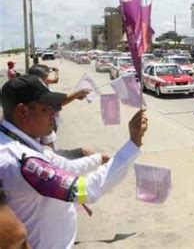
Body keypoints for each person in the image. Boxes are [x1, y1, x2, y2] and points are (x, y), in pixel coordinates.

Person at [0, 75, 148, 248]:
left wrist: (98, 158)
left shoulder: (21, 143)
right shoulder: (20, 160)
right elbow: (84, 189)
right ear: (23, 111)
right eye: (46, 110)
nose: (54, 115)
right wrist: (133, 143)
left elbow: (66, 166)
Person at [27, 65, 90, 151]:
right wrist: (77, 94)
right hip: (43, 123)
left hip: (48, 123)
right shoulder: (37, 89)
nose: (47, 79)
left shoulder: (36, 83)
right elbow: (57, 101)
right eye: (46, 76)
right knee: (48, 146)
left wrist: (75, 96)